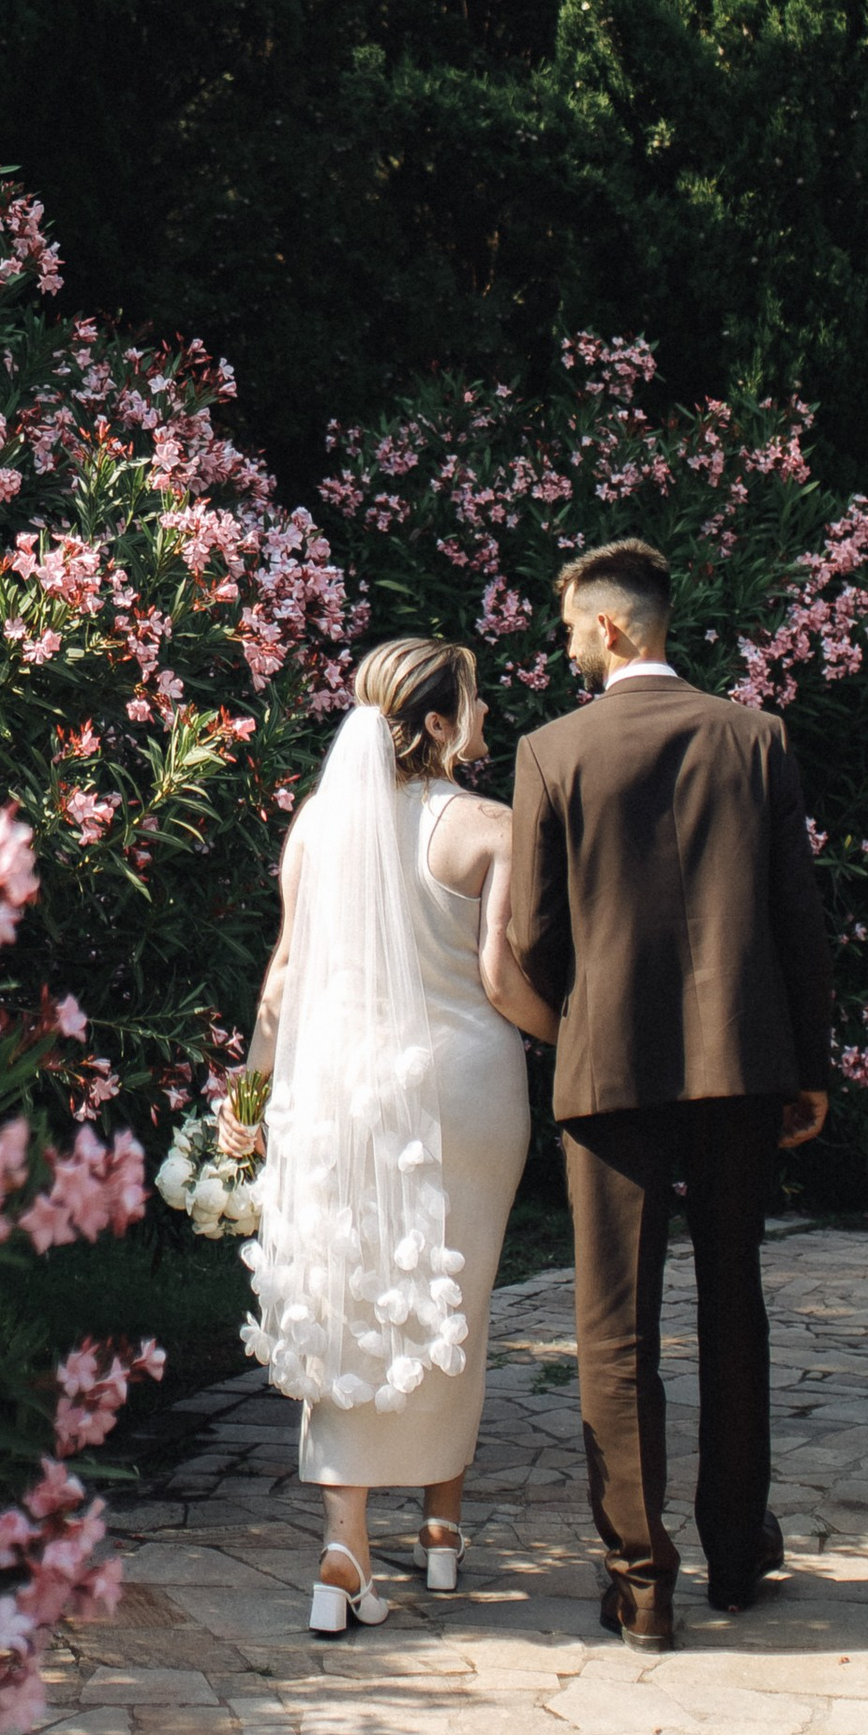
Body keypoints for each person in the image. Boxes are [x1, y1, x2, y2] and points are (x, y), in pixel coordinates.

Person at [508, 538, 832, 1653]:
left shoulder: (550, 753)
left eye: (567, 631)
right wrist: (809, 1067)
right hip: (741, 1065)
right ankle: (738, 1557)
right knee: (732, 1304)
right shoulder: (755, 739)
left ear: (609, 629)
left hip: (607, 1073)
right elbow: (799, 918)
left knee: (615, 1327)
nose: (564, 651)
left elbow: (531, 938)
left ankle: (641, 1581)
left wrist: (587, 1015)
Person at [232, 639, 556, 1632]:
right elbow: (501, 980)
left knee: (350, 1292)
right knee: (455, 1293)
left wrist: (248, 1100)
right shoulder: (488, 828)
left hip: (341, 1091)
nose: (486, 716)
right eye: (473, 701)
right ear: (433, 725)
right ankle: (442, 1533)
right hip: (462, 1091)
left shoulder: (323, 826)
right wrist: (573, 1033)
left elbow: (283, 981)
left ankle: (344, 1548)